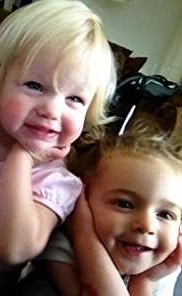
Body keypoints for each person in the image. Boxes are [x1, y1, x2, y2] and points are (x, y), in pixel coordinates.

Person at [0, 0, 116, 294]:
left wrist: (23, 156)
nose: (52, 109)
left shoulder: (56, 181)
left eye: (74, 99)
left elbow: (10, 249)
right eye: (35, 85)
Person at [32, 108, 182, 295]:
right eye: (125, 204)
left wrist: (146, 280)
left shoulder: (161, 268)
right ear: (83, 200)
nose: (146, 225)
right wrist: (83, 233)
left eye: (166, 214)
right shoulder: (62, 248)